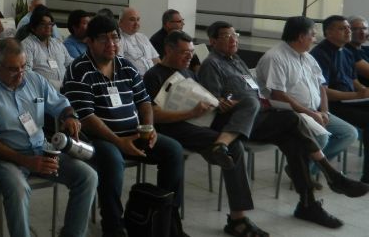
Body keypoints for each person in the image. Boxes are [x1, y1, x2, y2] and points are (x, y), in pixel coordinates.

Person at [199, 20, 369, 228]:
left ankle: (308, 204)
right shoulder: (211, 64)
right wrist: (237, 101)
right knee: (292, 119)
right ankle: (331, 175)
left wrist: (263, 103)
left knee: (293, 142)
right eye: (226, 36)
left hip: (260, 116)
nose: (234, 39)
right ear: (212, 41)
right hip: (236, 122)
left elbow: (254, 89)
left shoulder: (236, 60)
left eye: (236, 35)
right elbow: (216, 101)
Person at [62, 15, 184, 237]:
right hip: (96, 138)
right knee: (112, 158)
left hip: (133, 133)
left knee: (174, 150)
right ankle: (113, 224)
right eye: (103, 39)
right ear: (89, 42)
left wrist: (149, 128)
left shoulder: (126, 66)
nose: (111, 44)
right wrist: (119, 142)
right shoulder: (78, 70)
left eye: (115, 38)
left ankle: (167, 217)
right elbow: (87, 117)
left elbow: (144, 102)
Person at [143, 30, 267, 237]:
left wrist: (221, 103)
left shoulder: (189, 73)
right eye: (184, 52)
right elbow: (152, 115)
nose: (189, 56)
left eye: (191, 52)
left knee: (249, 102)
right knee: (234, 147)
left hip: (200, 122)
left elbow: (202, 99)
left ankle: (220, 145)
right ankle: (238, 218)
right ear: (168, 49)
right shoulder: (153, 75)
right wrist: (191, 112)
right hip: (174, 127)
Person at [0, 38, 97, 237]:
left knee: (88, 176)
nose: (20, 74)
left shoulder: (34, 79)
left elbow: (61, 104)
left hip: (40, 148)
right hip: (3, 155)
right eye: (13, 69)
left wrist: (69, 116)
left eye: (23, 66)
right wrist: (27, 162)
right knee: (19, 189)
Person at [256, 16, 358, 178]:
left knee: (349, 133)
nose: (315, 39)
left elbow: (322, 86)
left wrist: (324, 111)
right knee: (321, 138)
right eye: (313, 35)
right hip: (287, 113)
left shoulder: (307, 57)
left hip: (315, 111)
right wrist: (311, 114)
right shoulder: (275, 57)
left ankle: (306, 170)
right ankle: (304, 175)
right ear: (301, 36)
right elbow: (278, 95)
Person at [309, 15, 369, 183]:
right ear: (328, 33)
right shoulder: (320, 54)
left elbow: (353, 80)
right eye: (343, 28)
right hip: (332, 105)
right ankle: (309, 167)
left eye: (348, 28)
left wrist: (362, 90)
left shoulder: (347, 51)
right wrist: (357, 95)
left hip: (350, 101)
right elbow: (324, 91)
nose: (348, 31)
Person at [21, 6, 72, 89]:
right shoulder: (27, 45)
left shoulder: (57, 43)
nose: (48, 26)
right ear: (33, 28)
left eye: (50, 24)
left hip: (66, 90)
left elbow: (69, 63)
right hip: (42, 91)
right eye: (43, 24)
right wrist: (51, 84)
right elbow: (26, 72)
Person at [117, 7, 160, 75]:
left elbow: (156, 60)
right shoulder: (117, 39)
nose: (136, 23)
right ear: (120, 22)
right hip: (135, 81)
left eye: (138, 19)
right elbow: (119, 66)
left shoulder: (143, 37)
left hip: (153, 78)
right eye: (132, 20)